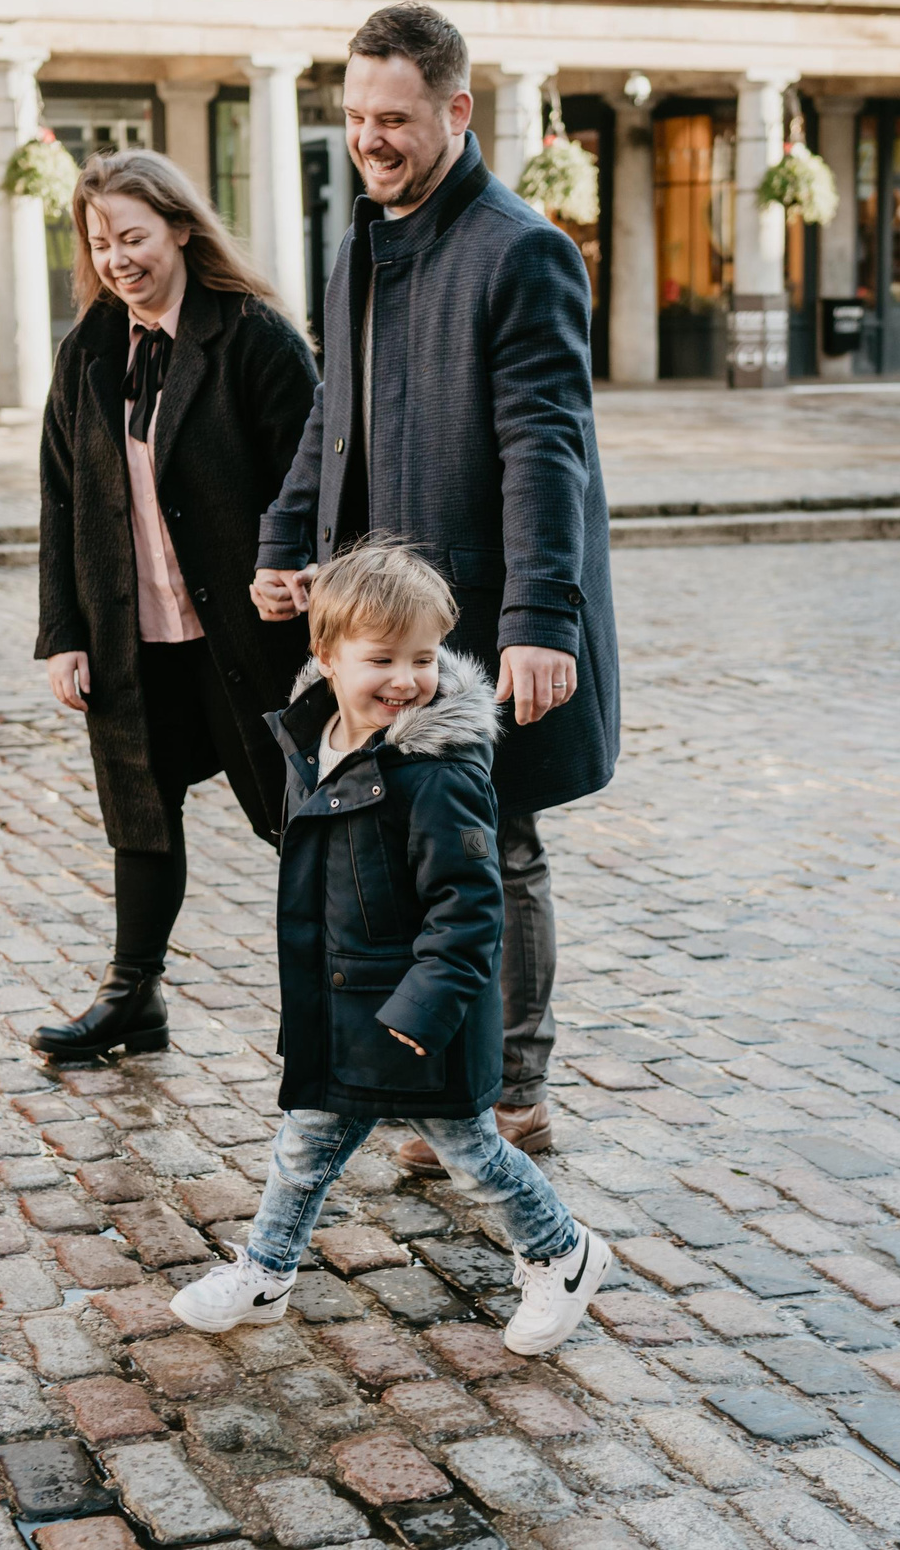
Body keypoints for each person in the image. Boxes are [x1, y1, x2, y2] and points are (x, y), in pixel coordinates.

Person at [250, 1, 617, 1174]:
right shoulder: (361, 241)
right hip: (377, 621)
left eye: (395, 119)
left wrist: (540, 624)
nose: (373, 139)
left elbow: (544, 447)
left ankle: (513, 1095)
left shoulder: (521, 251)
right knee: (402, 855)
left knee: (494, 850)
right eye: (357, 119)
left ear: (457, 111)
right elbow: (331, 416)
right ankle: (438, 1089)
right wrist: (285, 540)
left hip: (477, 624)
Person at [170, 541, 611, 1354]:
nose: (406, 679)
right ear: (326, 656)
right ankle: (267, 1268)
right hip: (344, 999)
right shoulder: (321, 742)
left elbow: (471, 904)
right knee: (304, 1142)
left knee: (470, 1151)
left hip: (415, 1014)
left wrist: (426, 1008)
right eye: (383, 659)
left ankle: (563, 1252)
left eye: (424, 657)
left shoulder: (436, 771)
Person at [30, 150, 321, 1060]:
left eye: (135, 237)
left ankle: (330, 1004)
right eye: (102, 243)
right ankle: (133, 997)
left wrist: (299, 570)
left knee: (298, 813)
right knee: (140, 808)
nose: (118, 259)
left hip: (248, 632)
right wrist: (63, 633)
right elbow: (60, 497)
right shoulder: (87, 352)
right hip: (132, 631)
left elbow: (312, 483)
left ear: (182, 228)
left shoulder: (256, 339)